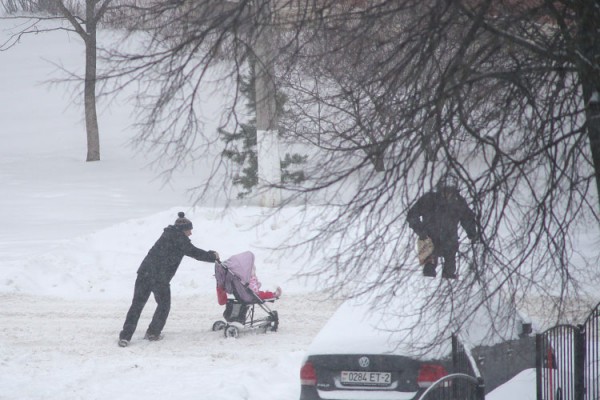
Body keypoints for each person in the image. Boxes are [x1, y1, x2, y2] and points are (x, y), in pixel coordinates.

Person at [118, 212, 219, 347]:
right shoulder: (179, 240)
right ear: (184, 230)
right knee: (164, 305)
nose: (191, 233)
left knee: (137, 305)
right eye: (190, 230)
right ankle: (153, 333)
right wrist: (213, 256)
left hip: (145, 273)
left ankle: (125, 337)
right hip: (160, 278)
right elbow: (195, 253)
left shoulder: (168, 235)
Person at [407, 174, 478, 279]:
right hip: (428, 239)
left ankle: (448, 280)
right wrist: (421, 230)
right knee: (428, 271)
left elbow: (467, 218)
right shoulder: (429, 200)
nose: (447, 194)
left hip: (450, 240)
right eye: (445, 191)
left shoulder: (458, 202)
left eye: (450, 191)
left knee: (449, 273)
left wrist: (472, 233)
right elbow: (412, 215)